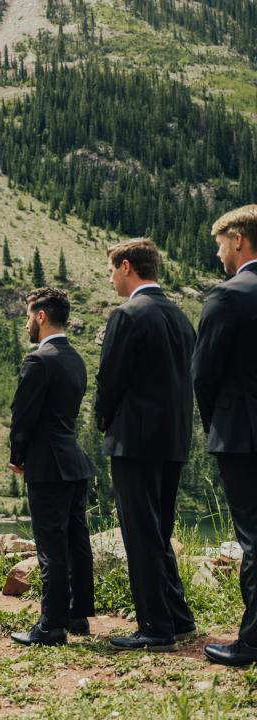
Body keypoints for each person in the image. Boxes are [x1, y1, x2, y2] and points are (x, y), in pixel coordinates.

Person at [95, 239, 196, 652]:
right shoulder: (180, 317)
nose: (111, 279)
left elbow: (110, 378)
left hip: (134, 441)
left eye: (112, 271)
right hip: (173, 439)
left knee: (140, 534)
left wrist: (104, 421)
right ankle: (179, 618)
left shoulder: (128, 315)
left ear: (126, 266)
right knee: (159, 530)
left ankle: (155, 628)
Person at [7, 289, 96, 647]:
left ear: (41, 316)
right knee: (76, 541)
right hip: (73, 461)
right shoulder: (76, 358)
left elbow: (22, 416)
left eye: (29, 315)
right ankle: (77, 615)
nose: (27, 323)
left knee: (50, 545)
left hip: (47, 465)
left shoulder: (38, 360)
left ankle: (51, 625)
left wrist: (17, 455)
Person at [191, 205, 257, 665]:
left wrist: (215, 423)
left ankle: (252, 641)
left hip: (243, 434)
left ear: (238, 240)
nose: (218, 254)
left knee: (253, 538)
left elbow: (203, 375)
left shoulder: (229, 296)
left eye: (219, 244)